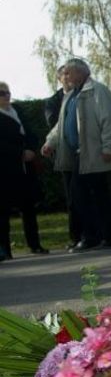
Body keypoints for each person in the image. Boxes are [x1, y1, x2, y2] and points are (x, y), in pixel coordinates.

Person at [42, 58, 111, 253]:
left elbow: (109, 120)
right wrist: (50, 142)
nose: (65, 77)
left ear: (81, 73)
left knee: (80, 194)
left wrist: (108, 147)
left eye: (68, 73)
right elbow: (62, 125)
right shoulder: (72, 95)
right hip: (78, 154)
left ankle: (91, 237)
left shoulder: (97, 91)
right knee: (99, 196)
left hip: (93, 153)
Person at [0, 81, 48, 261]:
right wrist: (18, 153)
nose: (6, 95)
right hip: (5, 169)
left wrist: (30, 149)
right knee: (3, 211)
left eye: (7, 92)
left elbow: (30, 133)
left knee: (28, 207)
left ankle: (35, 244)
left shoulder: (17, 110)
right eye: (1, 93)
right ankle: (4, 249)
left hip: (25, 167)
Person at [44, 65, 82, 250]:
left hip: (83, 152)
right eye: (64, 75)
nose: (67, 78)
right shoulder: (53, 101)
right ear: (59, 79)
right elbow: (55, 123)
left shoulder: (81, 94)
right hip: (65, 154)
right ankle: (75, 236)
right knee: (72, 197)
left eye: (70, 73)